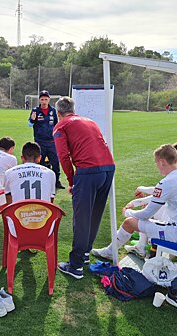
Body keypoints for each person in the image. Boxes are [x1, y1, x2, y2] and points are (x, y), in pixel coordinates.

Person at [92, 144, 177, 259]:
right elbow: (162, 195)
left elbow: (145, 214)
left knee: (129, 222)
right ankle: (140, 247)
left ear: (162, 162)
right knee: (148, 216)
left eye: (156, 162)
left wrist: (127, 212)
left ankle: (109, 252)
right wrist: (137, 202)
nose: (156, 165)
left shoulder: (167, 182)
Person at [53, 96, 115, 279]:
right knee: (95, 213)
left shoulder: (61, 126)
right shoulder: (89, 121)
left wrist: (72, 181)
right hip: (108, 168)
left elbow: (63, 156)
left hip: (88, 171)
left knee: (82, 217)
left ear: (58, 113)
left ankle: (76, 265)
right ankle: (85, 253)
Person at [29, 90, 64, 189]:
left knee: (55, 162)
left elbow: (57, 125)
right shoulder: (35, 110)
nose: (44, 101)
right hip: (40, 142)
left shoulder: (53, 110)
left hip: (52, 142)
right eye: (42, 99)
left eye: (46, 99)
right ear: (39, 100)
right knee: (39, 162)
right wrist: (32, 119)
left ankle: (56, 181)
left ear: (49, 100)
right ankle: (39, 181)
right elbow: (29, 124)